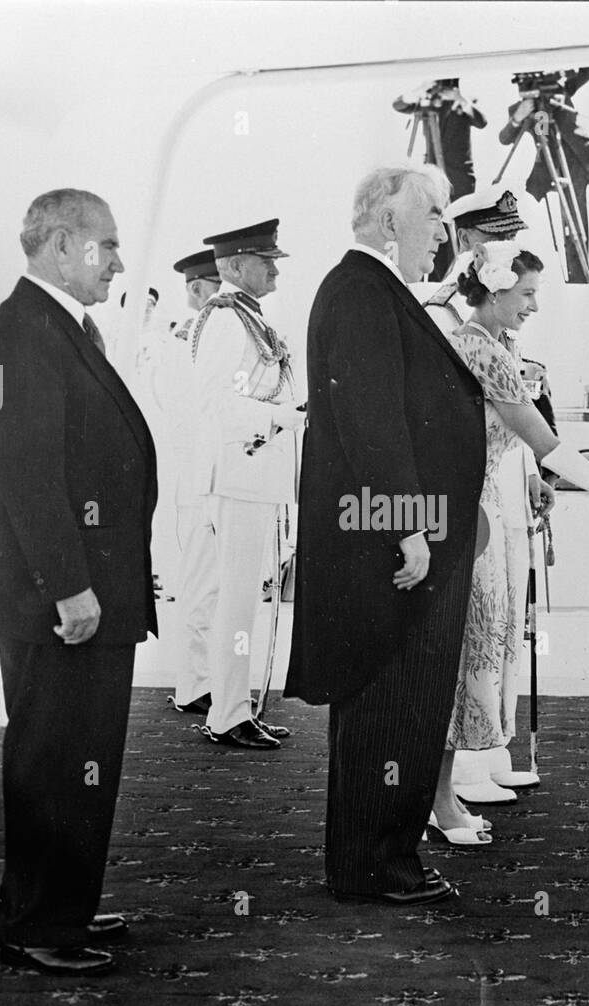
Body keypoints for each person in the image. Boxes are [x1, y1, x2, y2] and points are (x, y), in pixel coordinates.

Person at [284, 164, 485, 905]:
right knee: (390, 707)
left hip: (400, 537)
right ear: (384, 219)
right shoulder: (362, 292)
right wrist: (407, 526)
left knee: (398, 707)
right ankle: (374, 865)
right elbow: (373, 423)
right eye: (432, 215)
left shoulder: (371, 290)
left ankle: (378, 858)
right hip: (392, 546)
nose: (442, 232)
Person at [0, 188, 157, 975]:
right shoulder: (22, 331)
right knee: (56, 760)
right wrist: (68, 587)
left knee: (82, 757)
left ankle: (63, 908)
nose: (117, 260)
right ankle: (39, 925)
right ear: (59, 245)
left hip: (85, 592)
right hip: (62, 601)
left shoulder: (58, 326)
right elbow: (29, 478)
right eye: (106, 245)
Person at [432, 242, 589, 842]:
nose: (535, 304)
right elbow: (546, 441)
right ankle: (450, 787)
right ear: (495, 287)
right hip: (473, 513)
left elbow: (518, 443)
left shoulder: (493, 343)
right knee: (473, 645)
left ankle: (469, 771)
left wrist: (534, 479)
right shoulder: (478, 345)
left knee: (495, 638)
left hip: (492, 505)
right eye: (528, 292)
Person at [419, 185, 555, 799]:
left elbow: (520, 406)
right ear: (470, 240)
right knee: (476, 616)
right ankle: (465, 767)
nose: (511, 246)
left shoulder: (502, 313)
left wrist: (532, 476)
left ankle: (492, 744)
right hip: (467, 479)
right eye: (499, 237)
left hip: (505, 471)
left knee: (506, 619)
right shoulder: (443, 309)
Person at [190, 220, 304, 749]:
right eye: (266, 260)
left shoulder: (248, 318)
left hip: (254, 477)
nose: (276, 268)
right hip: (237, 475)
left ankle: (240, 705)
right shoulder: (225, 321)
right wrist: (281, 418)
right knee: (237, 602)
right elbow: (215, 405)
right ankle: (227, 713)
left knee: (247, 602)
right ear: (234, 266)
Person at [498, 66, 589, 283]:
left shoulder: (561, 89)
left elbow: (588, 70)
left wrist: (562, 68)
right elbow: (504, 138)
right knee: (574, 226)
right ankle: (578, 280)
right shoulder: (520, 108)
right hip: (563, 170)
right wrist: (519, 117)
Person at [167, 247, 222, 718]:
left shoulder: (212, 334)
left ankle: (210, 682)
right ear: (197, 291)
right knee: (201, 585)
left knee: (220, 588)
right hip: (200, 479)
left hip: (221, 477)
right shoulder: (182, 341)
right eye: (217, 287)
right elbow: (187, 416)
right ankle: (193, 685)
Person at [393, 78, 488, 281]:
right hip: (433, 178)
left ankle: (459, 278)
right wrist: (420, 89)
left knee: (457, 232)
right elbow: (399, 104)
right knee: (434, 229)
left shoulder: (463, 102)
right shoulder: (428, 103)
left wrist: (460, 100)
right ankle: (435, 280)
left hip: (460, 178)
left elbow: (482, 121)